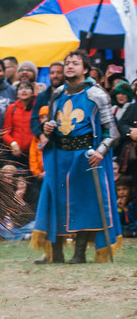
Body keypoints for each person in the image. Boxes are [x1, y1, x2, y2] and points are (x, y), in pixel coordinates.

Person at [32, 50, 120, 264]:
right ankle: (56, 253)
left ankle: (79, 254)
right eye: (67, 63)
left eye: (75, 63)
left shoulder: (97, 94)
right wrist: (47, 128)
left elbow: (112, 131)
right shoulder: (57, 94)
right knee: (55, 201)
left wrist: (100, 151)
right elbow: (53, 124)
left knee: (84, 203)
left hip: (85, 156)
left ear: (85, 69)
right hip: (58, 155)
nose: (70, 66)